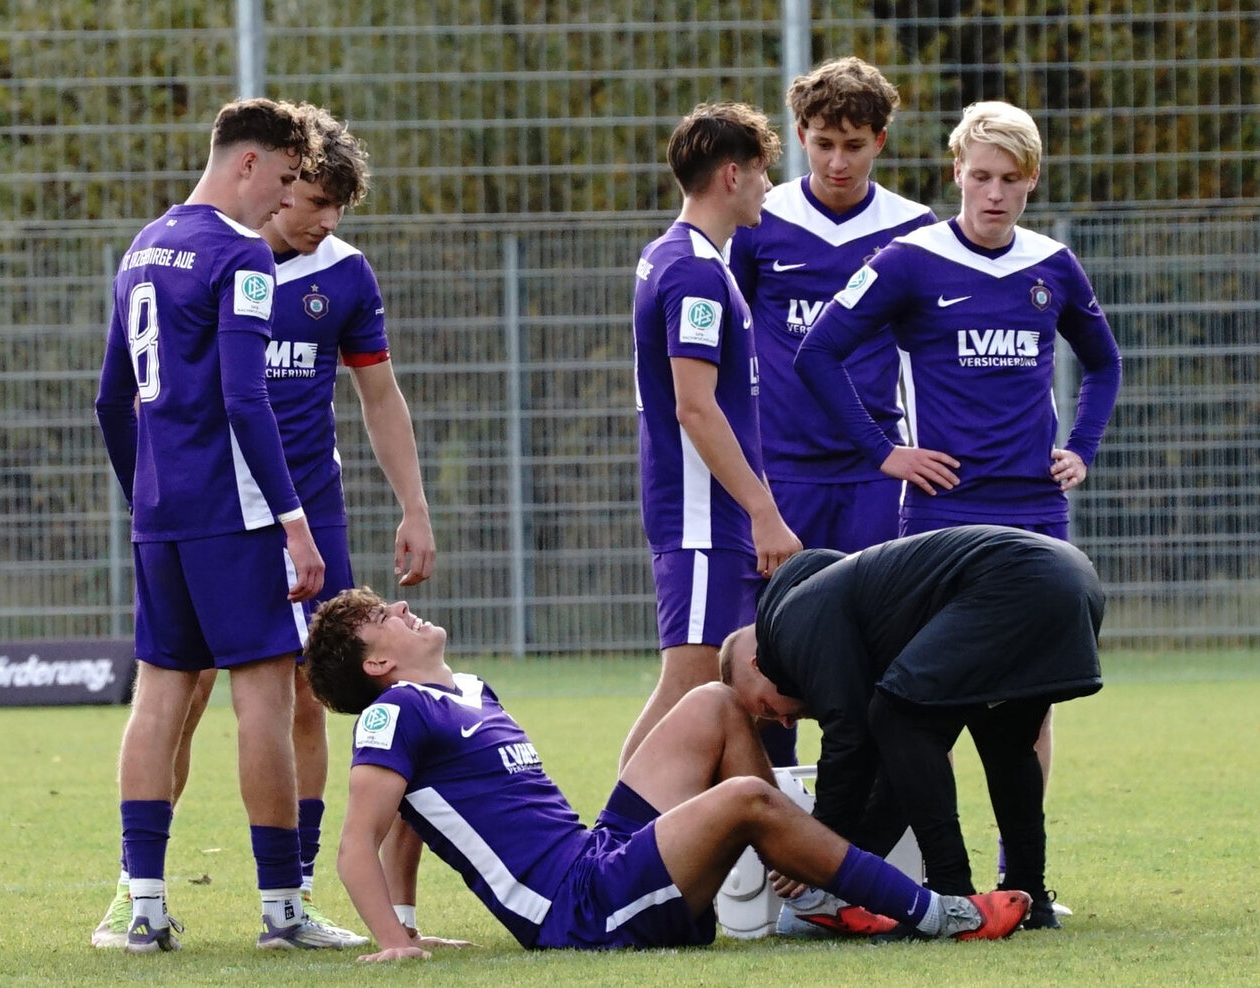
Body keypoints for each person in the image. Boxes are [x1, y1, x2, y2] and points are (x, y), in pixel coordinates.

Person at [91, 106, 437, 949]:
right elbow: (245, 401)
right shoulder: (239, 255)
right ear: (258, 171)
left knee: (232, 692)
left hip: (180, 508)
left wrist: (147, 494)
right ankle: (276, 905)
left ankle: (162, 899)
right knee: (239, 694)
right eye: (297, 187)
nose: (308, 210)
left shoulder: (148, 245)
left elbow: (112, 398)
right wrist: (290, 521)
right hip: (252, 511)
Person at [301, 586, 1032, 960]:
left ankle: (803, 892)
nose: (399, 606)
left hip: (595, 857)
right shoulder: (391, 712)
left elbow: (416, 818)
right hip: (577, 912)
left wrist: (408, 919)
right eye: (382, 617)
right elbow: (361, 836)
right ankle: (943, 914)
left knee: (713, 701)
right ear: (378, 665)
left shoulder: (466, 693)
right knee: (746, 797)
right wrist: (394, 943)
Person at [793, 99, 1122, 892]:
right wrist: (885, 453)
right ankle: (924, 877)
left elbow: (1104, 363)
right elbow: (818, 352)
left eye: (1011, 179)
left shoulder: (1053, 265)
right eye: (980, 176)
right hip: (941, 515)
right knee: (925, 701)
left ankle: (1021, 876)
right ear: (956, 174)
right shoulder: (910, 260)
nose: (995, 193)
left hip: (1037, 516)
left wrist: (1079, 449)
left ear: (1031, 181)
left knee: (1028, 704)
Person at [720, 525, 1105, 933]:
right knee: (1003, 741)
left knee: (897, 717)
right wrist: (842, 871)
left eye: (764, 707)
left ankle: (952, 896)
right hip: (1069, 578)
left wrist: (812, 846)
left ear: (756, 664)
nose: (782, 720)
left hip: (1017, 579)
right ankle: (1030, 897)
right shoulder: (849, 606)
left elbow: (850, 736)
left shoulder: (791, 620)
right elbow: (892, 768)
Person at [727, 57, 935, 767]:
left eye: (853, 143)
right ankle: (773, 829)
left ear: (881, 140)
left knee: (879, 651)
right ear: (800, 135)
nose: (837, 160)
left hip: (876, 472)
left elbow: (930, 354)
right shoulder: (761, 221)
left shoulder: (914, 229)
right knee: (771, 652)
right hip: (778, 470)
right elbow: (727, 342)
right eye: (822, 142)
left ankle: (869, 834)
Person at [622, 101, 802, 772]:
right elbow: (694, 408)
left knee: (713, 691)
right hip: (700, 518)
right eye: (761, 171)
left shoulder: (690, 259)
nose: (767, 186)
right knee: (691, 685)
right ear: (732, 174)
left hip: (711, 516)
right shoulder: (694, 270)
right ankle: (606, 851)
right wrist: (763, 512)